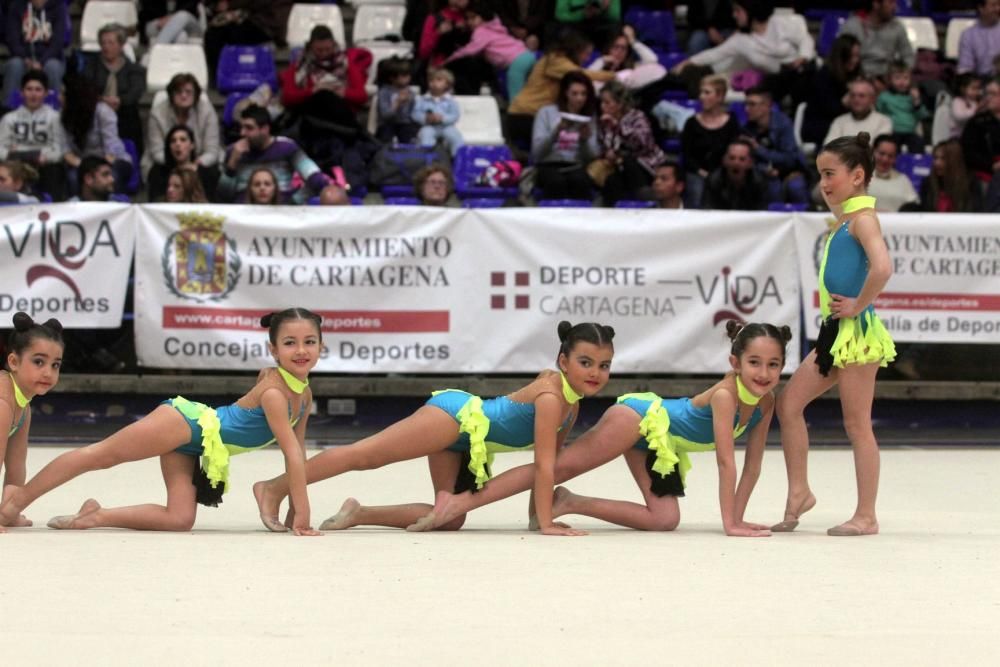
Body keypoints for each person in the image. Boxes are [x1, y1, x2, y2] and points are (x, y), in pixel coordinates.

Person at [408, 321, 789, 537]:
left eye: (774, 365)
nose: (764, 374)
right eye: (755, 362)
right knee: (559, 464)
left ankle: (570, 502)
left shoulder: (767, 402)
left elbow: (753, 466)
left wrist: (739, 519)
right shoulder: (725, 396)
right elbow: (726, 462)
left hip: (660, 442)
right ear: (734, 362)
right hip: (638, 418)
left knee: (665, 520)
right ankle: (461, 501)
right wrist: (731, 524)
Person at [252, 321, 615, 537]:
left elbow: (546, 468)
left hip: (465, 441)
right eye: (585, 363)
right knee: (366, 456)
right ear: (563, 361)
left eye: (603, 365)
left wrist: (539, 520)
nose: (595, 373)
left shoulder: (571, 403)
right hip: (454, 417)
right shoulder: (552, 398)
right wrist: (549, 523)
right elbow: (543, 465)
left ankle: (359, 514)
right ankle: (273, 487)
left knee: (449, 521)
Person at [0, 308, 323, 536]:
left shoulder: (304, 395)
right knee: (99, 456)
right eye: (290, 343)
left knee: (179, 520)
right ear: (274, 349)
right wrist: (304, 517)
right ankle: (16, 502)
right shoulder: (275, 395)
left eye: (309, 341)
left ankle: (95, 515)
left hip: (194, 445)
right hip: (184, 423)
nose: (301, 350)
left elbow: (298, 453)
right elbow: (292, 454)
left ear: (321, 346)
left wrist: (296, 509)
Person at [773, 131, 895, 537]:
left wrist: (859, 305)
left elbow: (882, 268)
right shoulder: (848, 218)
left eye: (831, 174)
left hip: (856, 334)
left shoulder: (862, 221)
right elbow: (837, 202)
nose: (824, 184)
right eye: (820, 174)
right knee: (788, 404)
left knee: (857, 423)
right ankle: (799, 491)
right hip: (834, 332)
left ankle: (867, 515)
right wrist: (835, 194)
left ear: (857, 175)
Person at [0, 313, 63, 533]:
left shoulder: (23, 405)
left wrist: (10, 511)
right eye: (38, 362)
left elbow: (16, 465)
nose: (48, 372)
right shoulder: (3, 402)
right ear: (13, 362)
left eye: (55, 365)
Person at [506, 29, 615, 149]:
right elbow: (581, 74)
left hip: (532, 115)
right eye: (586, 53)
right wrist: (614, 76)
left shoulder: (557, 60)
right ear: (575, 50)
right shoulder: (556, 61)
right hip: (525, 115)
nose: (587, 58)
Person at [218, 105, 330, 204]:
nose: (242, 133)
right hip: (243, 215)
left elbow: (317, 180)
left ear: (265, 129)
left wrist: (293, 202)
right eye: (241, 128)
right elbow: (222, 197)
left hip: (281, 215)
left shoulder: (287, 147)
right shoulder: (234, 151)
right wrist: (232, 163)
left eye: (249, 128)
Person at [279, 25, 368, 138]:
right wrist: (313, 91)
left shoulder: (346, 63)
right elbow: (287, 97)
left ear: (333, 45)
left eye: (328, 49)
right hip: (310, 120)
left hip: (340, 121)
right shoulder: (300, 65)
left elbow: (362, 96)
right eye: (319, 50)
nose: (324, 53)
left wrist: (342, 92)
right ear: (311, 47)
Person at [594, 80, 665, 205]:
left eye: (607, 102)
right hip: (620, 168)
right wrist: (608, 153)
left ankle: (648, 200)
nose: (602, 106)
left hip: (647, 166)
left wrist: (617, 126)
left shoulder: (637, 117)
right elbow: (602, 145)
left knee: (628, 161)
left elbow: (644, 143)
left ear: (620, 104)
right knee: (612, 181)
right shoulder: (603, 122)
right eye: (601, 102)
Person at [143, 73, 221, 188]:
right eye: (179, 92)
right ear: (171, 95)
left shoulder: (207, 112)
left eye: (188, 92)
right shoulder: (158, 114)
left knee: (211, 173)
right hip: (166, 163)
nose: (184, 96)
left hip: (198, 162)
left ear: (196, 95)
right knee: (157, 174)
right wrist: (180, 165)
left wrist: (193, 164)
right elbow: (157, 152)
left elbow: (212, 151)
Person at [530, 71, 599, 201]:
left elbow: (592, 156)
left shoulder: (589, 117)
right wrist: (555, 134)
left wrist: (584, 141)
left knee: (580, 182)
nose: (580, 98)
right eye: (575, 93)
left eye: (583, 94)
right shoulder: (546, 113)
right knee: (556, 182)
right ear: (566, 93)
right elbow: (537, 153)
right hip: (549, 164)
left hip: (576, 165)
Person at [60, 75, 133, 196]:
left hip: (113, 161)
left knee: (110, 176)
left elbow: (112, 149)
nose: (59, 98)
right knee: (73, 177)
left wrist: (98, 170)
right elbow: (66, 151)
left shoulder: (103, 112)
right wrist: (86, 167)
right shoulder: (63, 117)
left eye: (63, 94)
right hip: (82, 163)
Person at [81, 23, 146, 155]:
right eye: (103, 43)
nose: (106, 47)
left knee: (131, 116)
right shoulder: (91, 66)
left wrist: (119, 100)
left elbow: (135, 92)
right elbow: (85, 88)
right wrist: (102, 100)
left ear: (121, 45)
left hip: (124, 113)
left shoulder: (134, 69)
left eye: (111, 43)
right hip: (96, 113)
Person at [444, 3, 536, 97]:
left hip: (517, 60)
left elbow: (471, 50)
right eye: (468, 19)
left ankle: (516, 109)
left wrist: (449, 60)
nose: (470, 22)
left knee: (515, 88)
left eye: (473, 18)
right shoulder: (494, 27)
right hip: (527, 55)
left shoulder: (481, 31)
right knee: (527, 87)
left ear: (484, 17)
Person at [0, 70, 66, 200]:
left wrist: (45, 157)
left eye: (38, 90)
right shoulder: (9, 118)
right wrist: (11, 155)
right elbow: (0, 147)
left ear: (46, 93)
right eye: (29, 89)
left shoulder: (55, 117)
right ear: (22, 92)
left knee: (55, 170)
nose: (33, 94)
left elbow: (59, 150)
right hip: (15, 164)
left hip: (44, 164)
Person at [680, 74, 741, 208]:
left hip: (724, 172)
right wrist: (703, 173)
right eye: (701, 92)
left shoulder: (732, 122)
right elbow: (687, 155)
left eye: (707, 93)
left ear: (719, 96)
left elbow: (734, 150)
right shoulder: (691, 123)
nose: (701, 97)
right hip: (697, 172)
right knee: (697, 189)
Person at [740, 85, 808, 206]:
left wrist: (758, 149)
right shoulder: (746, 130)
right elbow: (748, 161)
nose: (746, 109)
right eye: (746, 104)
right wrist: (764, 169)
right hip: (761, 173)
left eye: (752, 104)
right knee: (771, 187)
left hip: (788, 171)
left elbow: (789, 158)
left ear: (767, 105)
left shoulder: (783, 124)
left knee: (796, 186)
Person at [801, 34, 863, 148]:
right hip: (821, 125)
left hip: (846, 124)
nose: (856, 60)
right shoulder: (824, 77)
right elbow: (829, 109)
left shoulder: (854, 76)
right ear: (842, 56)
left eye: (857, 56)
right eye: (852, 56)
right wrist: (847, 98)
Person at [2, 0, 67, 108]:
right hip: (23, 58)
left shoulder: (58, 7)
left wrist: (41, 62)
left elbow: (58, 42)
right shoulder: (16, 6)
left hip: (50, 59)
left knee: (52, 67)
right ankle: (9, 112)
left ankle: (55, 112)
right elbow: (12, 40)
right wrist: (25, 59)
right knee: (14, 65)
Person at [838, 0, 913, 81]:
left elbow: (908, 56)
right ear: (876, 4)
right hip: (858, 77)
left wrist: (900, 77)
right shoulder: (853, 26)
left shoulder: (897, 27)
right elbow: (840, 55)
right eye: (891, 3)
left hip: (887, 80)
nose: (895, 7)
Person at [148, 125, 216, 202]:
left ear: (192, 145)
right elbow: (154, 205)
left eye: (183, 140)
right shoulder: (158, 173)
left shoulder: (208, 174)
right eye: (173, 141)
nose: (178, 144)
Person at [876, 61, 929, 155]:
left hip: (910, 132)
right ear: (889, 79)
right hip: (892, 131)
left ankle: (914, 166)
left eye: (906, 78)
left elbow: (923, 115)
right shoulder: (884, 97)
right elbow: (878, 114)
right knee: (891, 147)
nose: (902, 82)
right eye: (897, 78)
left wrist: (916, 101)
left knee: (919, 143)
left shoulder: (912, 96)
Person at [823, 77, 893, 148]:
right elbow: (828, 149)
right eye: (853, 95)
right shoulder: (839, 121)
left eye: (861, 96)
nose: (856, 99)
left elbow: (879, 151)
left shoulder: (884, 121)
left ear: (872, 99)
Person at [918, 139, 983, 212]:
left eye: (943, 159)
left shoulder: (970, 183)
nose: (937, 163)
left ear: (954, 161)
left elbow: (975, 213)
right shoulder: (928, 183)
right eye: (935, 158)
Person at [701, 139, 768, 210]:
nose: (736, 163)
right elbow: (707, 210)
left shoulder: (759, 182)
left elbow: (762, 212)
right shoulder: (713, 180)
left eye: (742, 159)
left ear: (750, 163)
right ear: (724, 160)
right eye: (732, 158)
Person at [412, 68, 464, 156]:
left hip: (446, 127)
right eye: (431, 80)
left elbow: (455, 115)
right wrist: (426, 118)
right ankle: (427, 159)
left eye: (439, 80)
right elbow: (415, 114)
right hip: (429, 126)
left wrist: (442, 118)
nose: (434, 83)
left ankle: (457, 158)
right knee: (425, 135)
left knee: (456, 138)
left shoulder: (451, 101)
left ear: (447, 84)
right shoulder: (422, 99)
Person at [867, 134, 918, 212]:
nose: (885, 159)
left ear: (895, 158)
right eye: (881, 153)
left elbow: (913, 207)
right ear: (873, 152)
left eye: (890, 156)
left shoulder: (903, 180)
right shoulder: (862, 178)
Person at [376, 57, 420, 144]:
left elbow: (413, 114)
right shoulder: (384, 92)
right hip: (388, 124)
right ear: (392, 78)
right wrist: (397, 102)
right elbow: (385, 115)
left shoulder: (410, 92)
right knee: (385, 135)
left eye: (408, 75)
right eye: (404, 76)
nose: (408, 78)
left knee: (410, 134)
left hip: (405, 124)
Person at [419, 0, 471, 69]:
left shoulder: (471, 18)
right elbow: (424, 52)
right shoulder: (434, 18)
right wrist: (438, 32)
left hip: (466, 68)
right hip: (441, 70)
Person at [958, 0, 1000, 78]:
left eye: (999, 4)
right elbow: (965, 68)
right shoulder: (969, 35)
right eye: (994, 5)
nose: (998, 8)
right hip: (981, 82)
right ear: (981, 8)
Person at [948, 73, 984, 140]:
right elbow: (959, 117)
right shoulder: (957, 101)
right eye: (974, 88)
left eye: (979, 88)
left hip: (970, 134)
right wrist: (976, 110)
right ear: (963, 89)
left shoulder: (975, 102)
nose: (977, 92)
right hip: (957, 136)